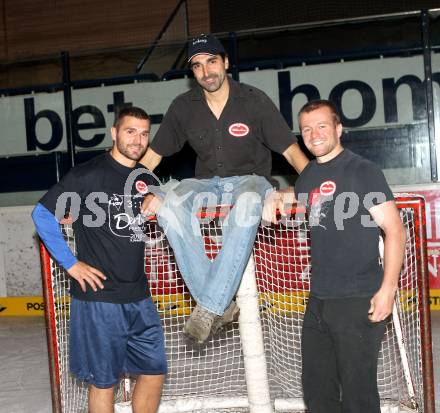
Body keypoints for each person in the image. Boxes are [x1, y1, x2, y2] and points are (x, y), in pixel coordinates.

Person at [140, 33, 309, 344]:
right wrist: (123, 185)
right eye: (198, 66)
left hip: (250, 180)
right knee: (168, 205)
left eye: (212, 62)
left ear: (226, 62)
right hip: (204, 183)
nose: (207, 72)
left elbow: (291, 151)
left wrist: (310, 183)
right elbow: (151, 158)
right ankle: (219, 305)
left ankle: (207, 308)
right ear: (192, 72)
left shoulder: (254, 101)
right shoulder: (183, 107)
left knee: (247, 204)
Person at [267, 99, 406, 412]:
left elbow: (395, 231)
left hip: (357, 299)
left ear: (338, 129)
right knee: (317, 393)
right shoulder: (309, 175)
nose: (314, 134)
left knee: (359, 396)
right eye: (306, 129)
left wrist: (388, 290)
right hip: (318, 301)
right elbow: (299, 194)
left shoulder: (362, 171)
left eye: (321, 126)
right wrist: (274, 196)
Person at [32, 107, 167, 413]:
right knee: (104, 381)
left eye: (144, 133)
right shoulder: (87, 174)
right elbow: (41, 215)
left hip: (139, 296)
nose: (138, 139)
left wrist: (164, 195)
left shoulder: (145, 177)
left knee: (154, 371)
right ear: (114, 133)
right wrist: (70, 264)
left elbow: (163, 198)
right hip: (99, 299)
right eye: (130, 131)